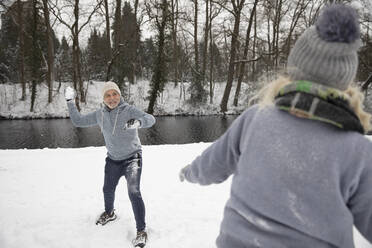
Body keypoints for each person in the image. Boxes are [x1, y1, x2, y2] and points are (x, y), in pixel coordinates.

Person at [179, 4, 372, 248]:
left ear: (294, 68)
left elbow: (211, 165)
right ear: (345, 82)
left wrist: (189, 172)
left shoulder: (254, 119)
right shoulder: (358, 151)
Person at [65, 81, 155, 247]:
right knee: (107, 188)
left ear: (119, 95)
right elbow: (78, 121)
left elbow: (150, 119)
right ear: (103, 98)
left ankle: (141, 231)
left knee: (134, 192)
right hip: (113, 159)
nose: (112, 98)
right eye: (108, 95)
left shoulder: (128, 110)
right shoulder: (100, 114)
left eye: (115, 94)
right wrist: (70, 102)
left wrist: (139, 122)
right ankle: (109, 213)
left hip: (132, 158)